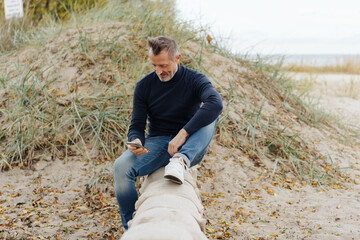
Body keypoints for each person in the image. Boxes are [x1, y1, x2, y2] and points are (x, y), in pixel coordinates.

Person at [113, 36, 223, 230]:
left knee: (210, 113)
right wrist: (135, 139)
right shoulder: (144, 85)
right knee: (120, 167)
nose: (158, 71)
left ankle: (181, 160)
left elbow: (216, 103)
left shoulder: (195, 79)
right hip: (159, 143)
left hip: (190, 144)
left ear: (177, 58)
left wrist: (183, 134)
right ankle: (129, 227)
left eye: (163, 65)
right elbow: (137, 124)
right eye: (154, 65)